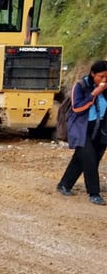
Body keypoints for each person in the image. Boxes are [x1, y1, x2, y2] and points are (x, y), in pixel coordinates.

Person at [57, 59, 107, 205]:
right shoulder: (80, 86)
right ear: (93, 74)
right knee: (90, 159)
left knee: (84, 158)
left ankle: (64, 184)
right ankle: (94, 193)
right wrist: (94, 94)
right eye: (101, 76)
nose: (104, 80)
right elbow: (77, 108)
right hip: (80, 128)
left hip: (99, 129)